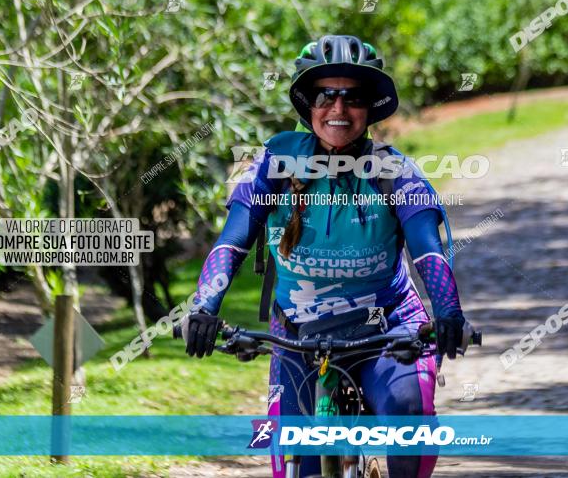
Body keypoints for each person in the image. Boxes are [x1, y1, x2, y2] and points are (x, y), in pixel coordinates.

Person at [183, 35, 470, 477]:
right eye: (325, 95)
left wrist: (448, 313)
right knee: (299, 464)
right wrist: (205, 306)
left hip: (387, 330)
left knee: (408, 415)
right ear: (308, 105)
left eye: (353, 97)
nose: (338, 109)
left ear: (371, 107)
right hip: (298, 334)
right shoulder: (271, 165)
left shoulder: (396, 172)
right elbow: (232, 240)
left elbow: (427, 250)